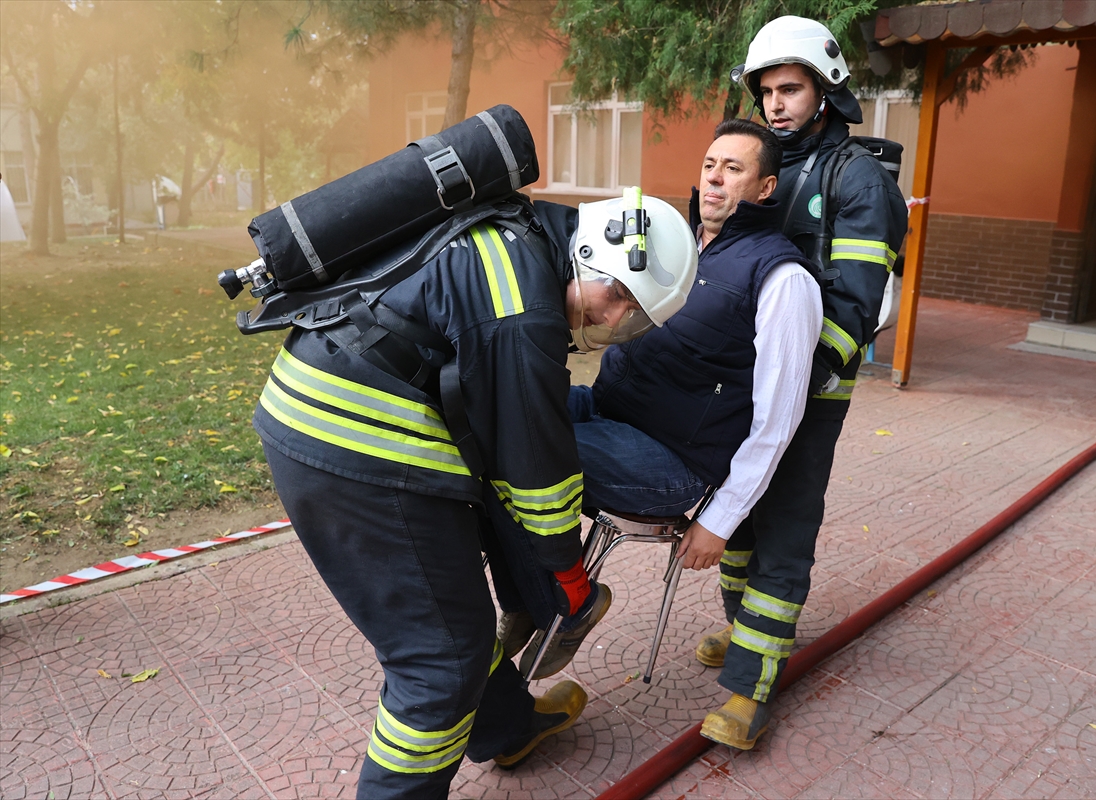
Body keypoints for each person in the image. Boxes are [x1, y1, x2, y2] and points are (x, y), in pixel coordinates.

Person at [253, 190, 697, 798]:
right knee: (439, 664)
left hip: (325, 416)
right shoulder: (524, 311)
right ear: (589, 252)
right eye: (616, 295)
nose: (615, 319)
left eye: (633, 312)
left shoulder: (518, 236)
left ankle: (507, 729)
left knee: (454, 613)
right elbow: (536, 467)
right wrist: (568, 573)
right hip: (359, 450)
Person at [491, 120, 825, 703]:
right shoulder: (677, 248)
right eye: (710, 166)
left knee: (517, 437)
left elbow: (780, 417)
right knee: (493, 407)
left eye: (735, 169)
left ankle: (567, 602)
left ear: (766, 188)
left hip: (672, 465)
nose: (716, 180)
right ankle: (533, 596)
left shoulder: (783, 277)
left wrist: (719, 519)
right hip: (609, 414)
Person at [685, 16, 909, 750]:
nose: (776, 103)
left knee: (783, 523)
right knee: (737, 512)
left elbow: (853, 302)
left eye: (791, 87)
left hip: (813, 386)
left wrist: (796, 384)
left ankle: (749, 689)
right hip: (741, 379)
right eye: (767, 90)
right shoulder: (765, 163)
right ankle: (747, 635)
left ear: (825, 88)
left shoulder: (858, 179)